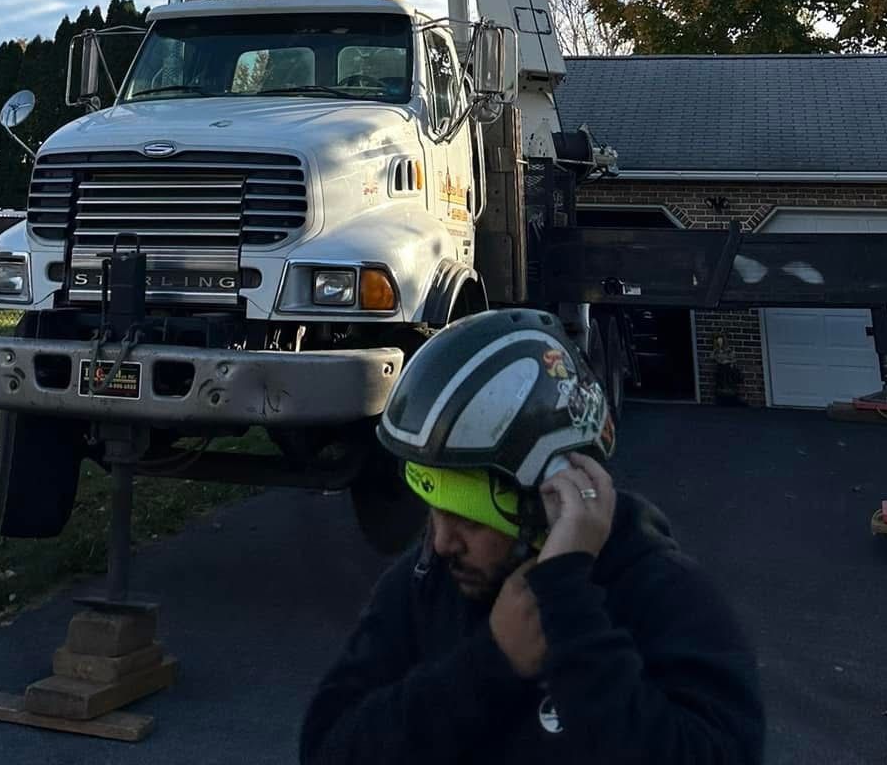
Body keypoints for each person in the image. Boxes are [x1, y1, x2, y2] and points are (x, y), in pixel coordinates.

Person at [301, 308, 765, 764]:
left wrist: (569, 612)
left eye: (471, 519)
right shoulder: (423, 585)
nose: (442, 542)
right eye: (433, 511)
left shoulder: (661, 593)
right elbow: (328, 747)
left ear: (551, 501)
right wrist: (489, 665)